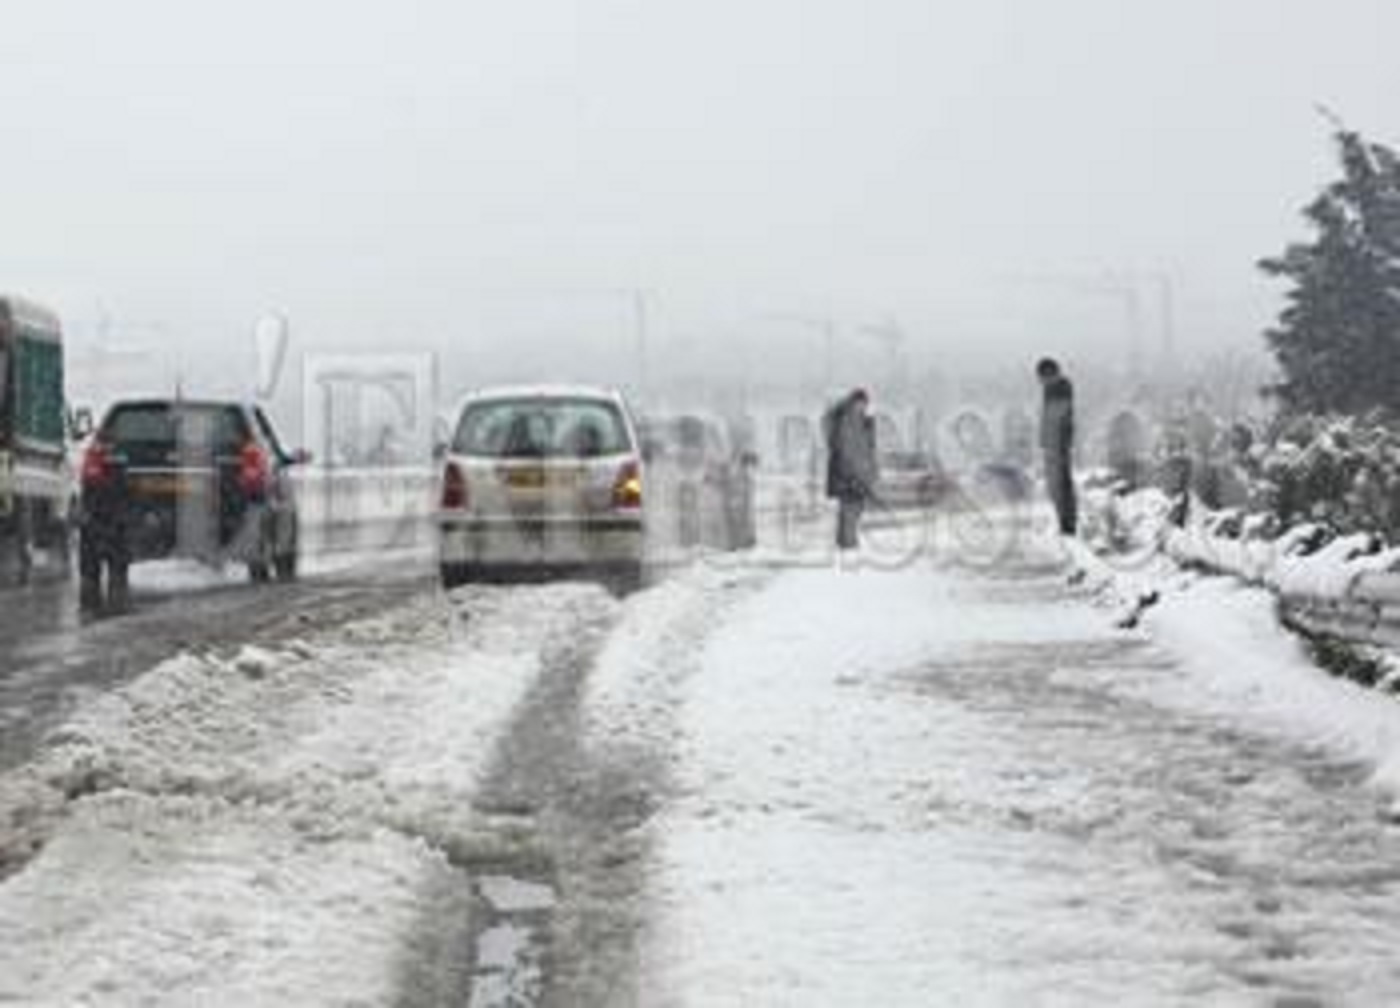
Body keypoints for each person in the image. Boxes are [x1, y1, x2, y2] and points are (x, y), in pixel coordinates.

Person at [823, 388, 879, 550]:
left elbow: (868, 448)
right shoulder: (847, 420)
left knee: (855, 506)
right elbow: (848, 448)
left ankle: (846, 541)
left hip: (855, 470)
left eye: (865, 404)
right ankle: (848, 543)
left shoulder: (861, 420)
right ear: (854, 403)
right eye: (861, 403)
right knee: (850, 506)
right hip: (847, 471)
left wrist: (871, 471)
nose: (863, 407)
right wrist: (854, 471)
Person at [1035, 358, 1077, 535]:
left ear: (1050, 373)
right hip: (1054, 444)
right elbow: (1047, 417)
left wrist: (1051, 441)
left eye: (1041, 377)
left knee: (1061, 484)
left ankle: (1067, 524)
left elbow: (1057, 418)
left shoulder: (1060, 388)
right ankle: (1063, 521)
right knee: (1056, 485)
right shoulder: (1051, 389)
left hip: (1059, 444)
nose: (1040, 381)